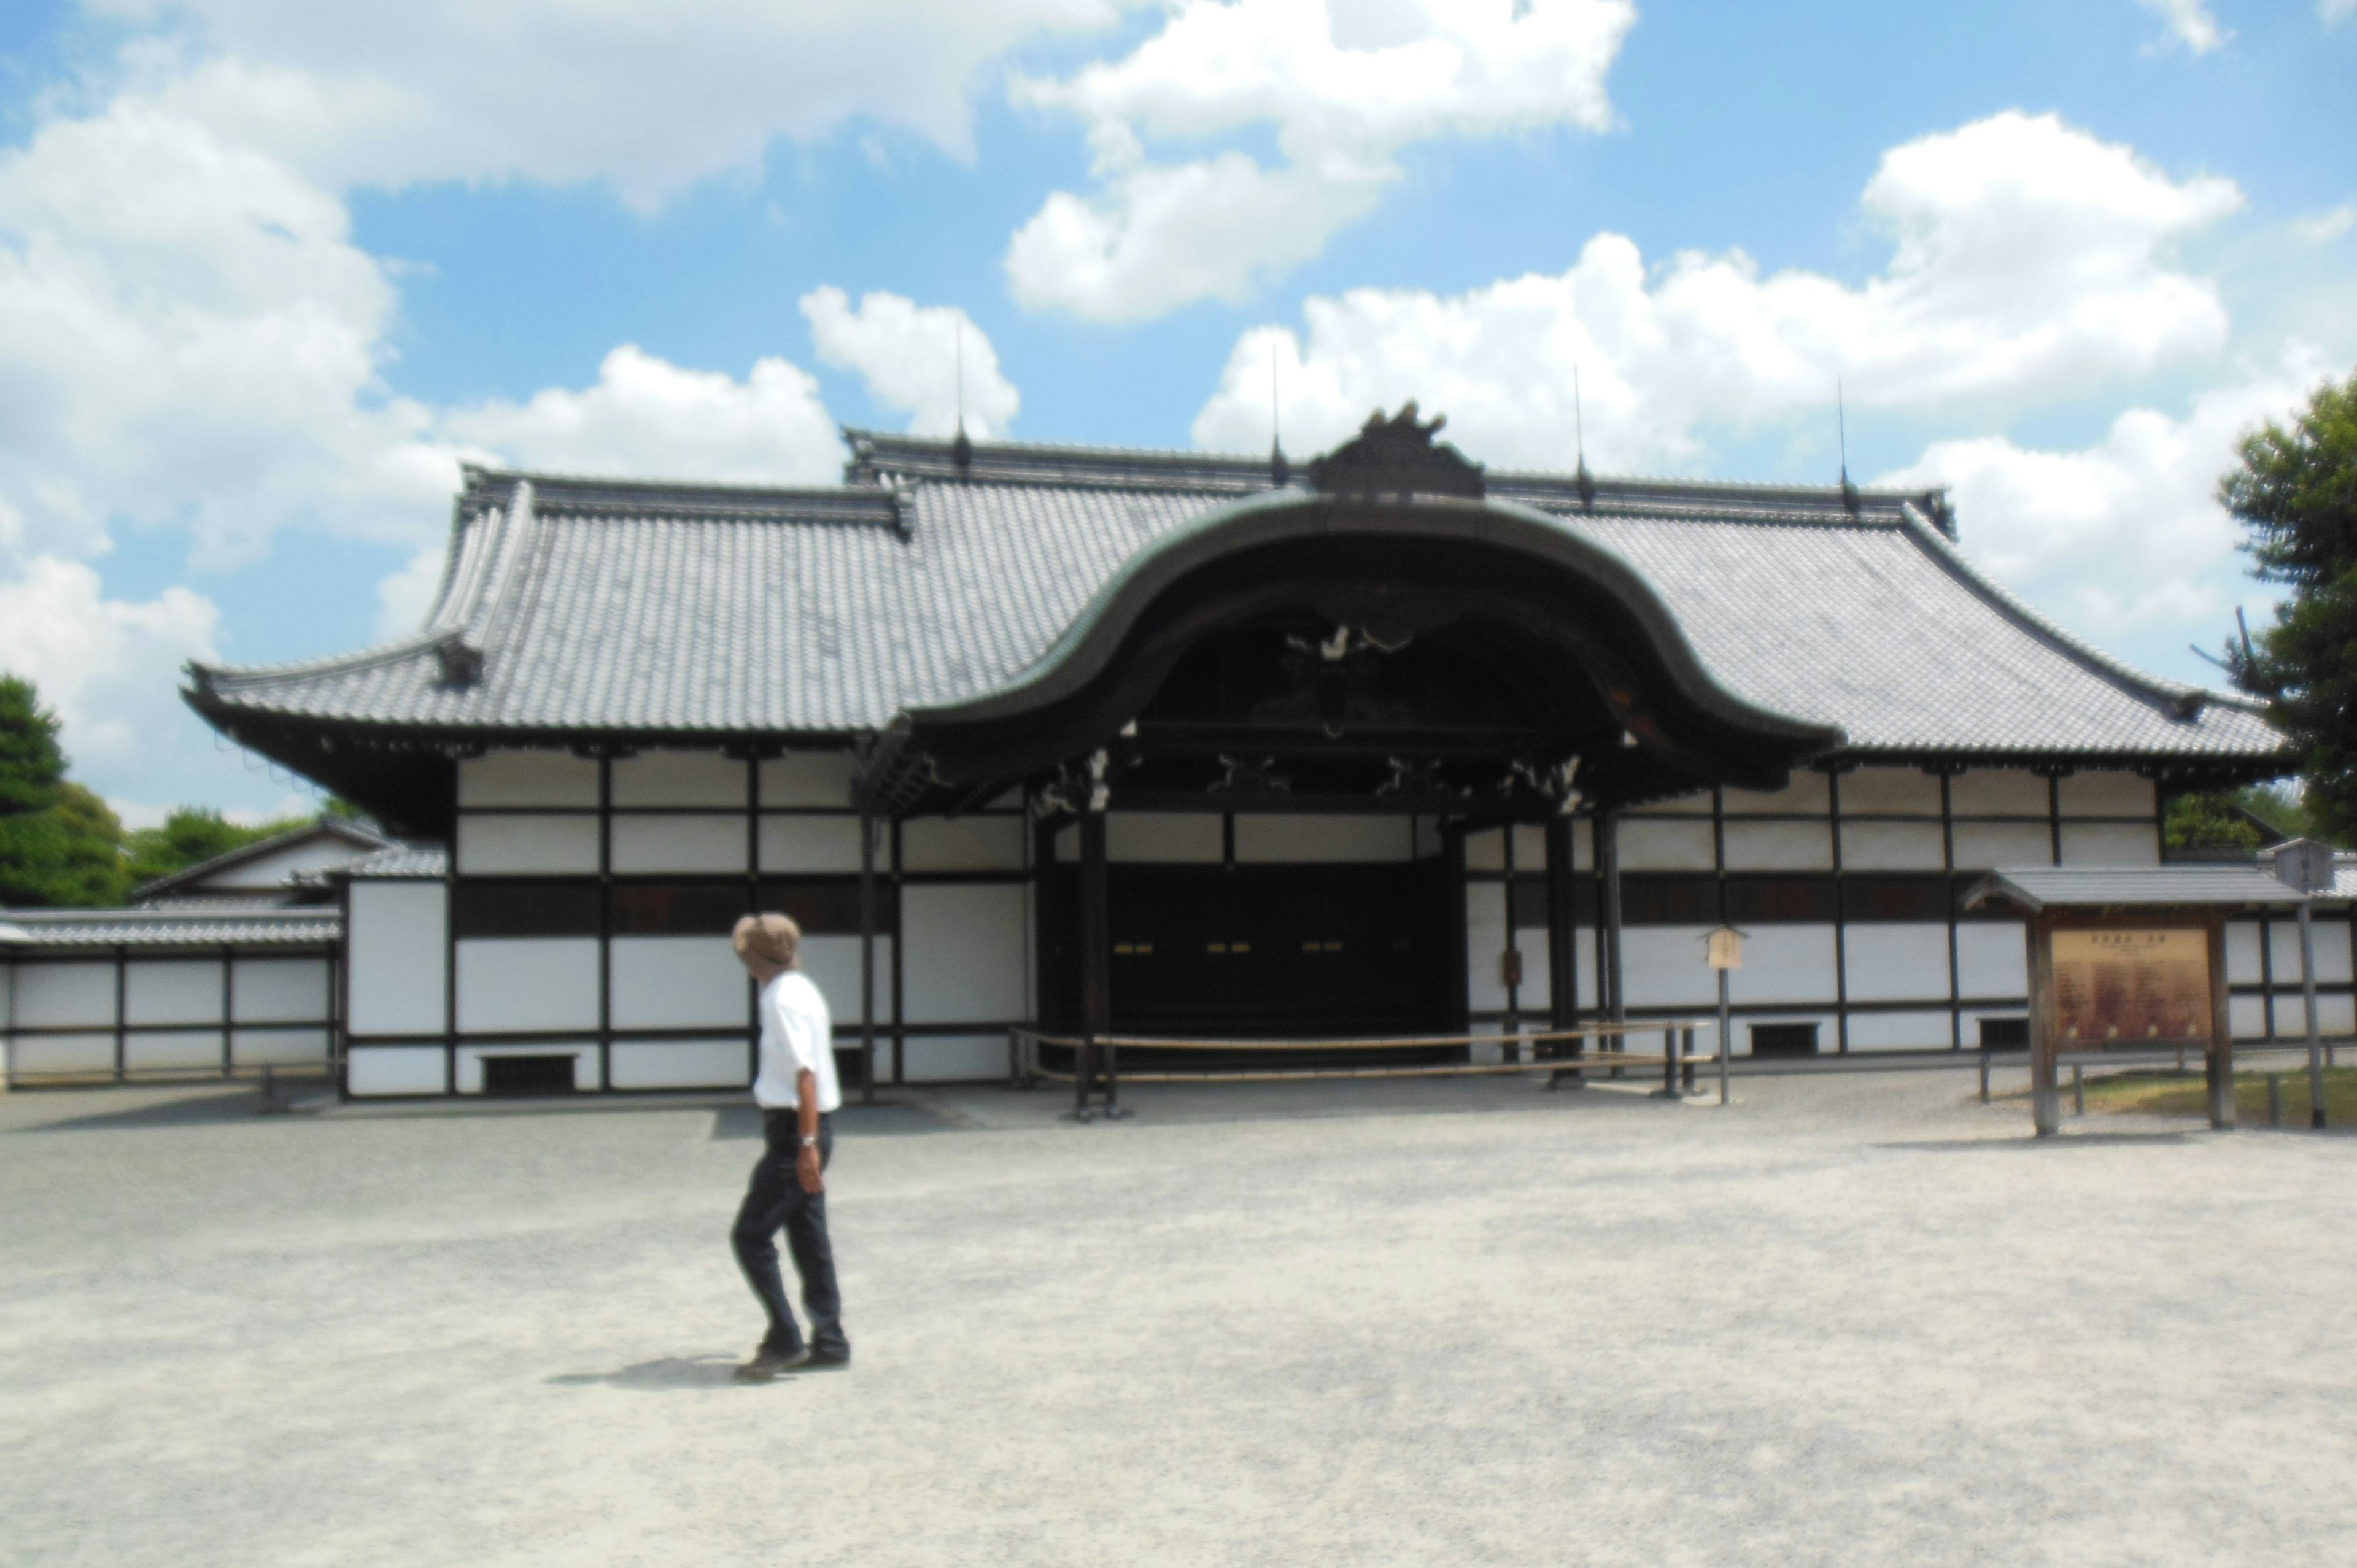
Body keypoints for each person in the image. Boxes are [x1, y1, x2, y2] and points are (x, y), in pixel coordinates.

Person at [729, 911, 851, 1381]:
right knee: (808, 1234)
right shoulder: (802, 988)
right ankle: (831, 1337)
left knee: (751, 1234)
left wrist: (805, 1144)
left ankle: (785, 1337)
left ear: (756, 956)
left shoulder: (781, 999)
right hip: (812, 1126)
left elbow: (806, 1075)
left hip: (796, 1129)